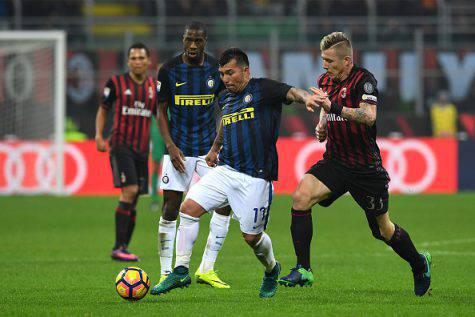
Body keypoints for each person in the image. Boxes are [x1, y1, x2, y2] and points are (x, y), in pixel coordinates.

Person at [151, 48, 320, 298]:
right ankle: (181, 270)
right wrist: (214, 149)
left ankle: (272, 269)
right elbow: (225, 123)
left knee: (252, 238)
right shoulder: (226, 98)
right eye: (221, 74)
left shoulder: (263, 88)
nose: (225, 79)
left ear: (245, 70)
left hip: (256, 177)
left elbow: (292, 91)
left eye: (230, 73)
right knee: (187, 209)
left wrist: (305, 98)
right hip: (226, 169)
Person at [278, 32, 432, 296]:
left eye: (329, 60)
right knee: (300, 197)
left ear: (347, 61)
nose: (324, 65)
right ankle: (303, 269)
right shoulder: (324, 80)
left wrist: (333, 108)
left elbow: (368, 116)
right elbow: (326, 108)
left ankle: (419, 263)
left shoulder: (365, 81)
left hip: (365, 169)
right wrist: (322, 126)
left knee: (382, 230)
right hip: (335, 162)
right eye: (323, 60)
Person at [153, 22, 232, 289]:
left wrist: (218, 146)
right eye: (189, 40)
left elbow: (225, 108)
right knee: (170, 209)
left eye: (198, 40)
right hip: (178, 151)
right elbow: (160, 111)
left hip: (209, 152)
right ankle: (166, 272)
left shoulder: (215, 69)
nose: (194, 46)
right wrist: (171, 146)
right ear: (182, 40)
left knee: (224, 205)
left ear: (205, 40)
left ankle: (207, 268)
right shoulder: (169, 70)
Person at [95, 43, 158, 262]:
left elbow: (160, 116)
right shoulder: (116, 83)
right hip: (121, 146)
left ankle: (124, 248)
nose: (137, 61)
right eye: (133, 58)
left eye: (141, 58)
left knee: (135, 198)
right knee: (129, 191)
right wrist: (99, 135)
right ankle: (118, 247)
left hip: (142, 150)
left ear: (148, 61)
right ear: (128, 61)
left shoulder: (153, 87)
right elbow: (103, 109)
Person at [150, 115, 165, 212]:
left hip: (171, 130)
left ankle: (171, 200)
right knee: (156, 166)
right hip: (157, 131)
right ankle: (154, 200)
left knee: (175, 166)